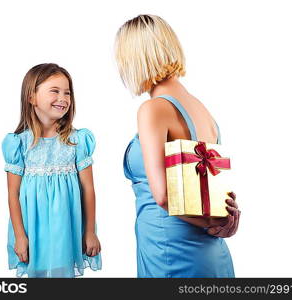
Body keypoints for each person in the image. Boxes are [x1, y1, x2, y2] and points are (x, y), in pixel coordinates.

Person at [115, 14, 241, 277]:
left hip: (169, 250)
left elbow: (161, 196)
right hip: (211, 251)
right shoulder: (203, 110)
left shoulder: (153, 110)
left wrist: (210, 223)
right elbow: (215, 190)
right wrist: (225, 223)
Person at [1, 63, 102, 277]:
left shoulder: (77, 141)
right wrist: (20, 235)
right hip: (33, 229)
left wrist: (90, 231)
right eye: (54, 91)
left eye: (67, 92)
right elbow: (13, 193)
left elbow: (88, 189)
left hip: (67, 226)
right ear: (32, 97)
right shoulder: (18, 144)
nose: (63, 98)